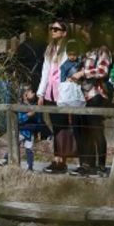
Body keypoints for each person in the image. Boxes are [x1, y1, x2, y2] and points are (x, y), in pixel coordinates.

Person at [70, 31, 112, 177]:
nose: (83, 37)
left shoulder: (102, 50)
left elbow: (103, 71)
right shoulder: (86, 52)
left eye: (86, 34)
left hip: (96, 95)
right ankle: (86, 164)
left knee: (96, 131)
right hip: (83, 97)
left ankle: (101, 166)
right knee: (83, 131)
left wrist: (83, 73)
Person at [37, 20, 70, 174]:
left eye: (57, 29)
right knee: (55, 126)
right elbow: (45, 71)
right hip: (50, 91)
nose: (53, 31)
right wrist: (41, 93)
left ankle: (62, 160)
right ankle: (57, 158)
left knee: (62, 126)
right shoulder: (50, 49)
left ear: (64, 32)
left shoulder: (68, 48)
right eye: (52, 28)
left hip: (62, 92)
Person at [56, 39, 85, 107]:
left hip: (79, 87)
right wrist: (67, 80)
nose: (72, 57)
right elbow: (62, 80)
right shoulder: (64, 66)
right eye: (70, 54)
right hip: (70, 88)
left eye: (74, 55)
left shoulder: (80, 62)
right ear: (67, 53)